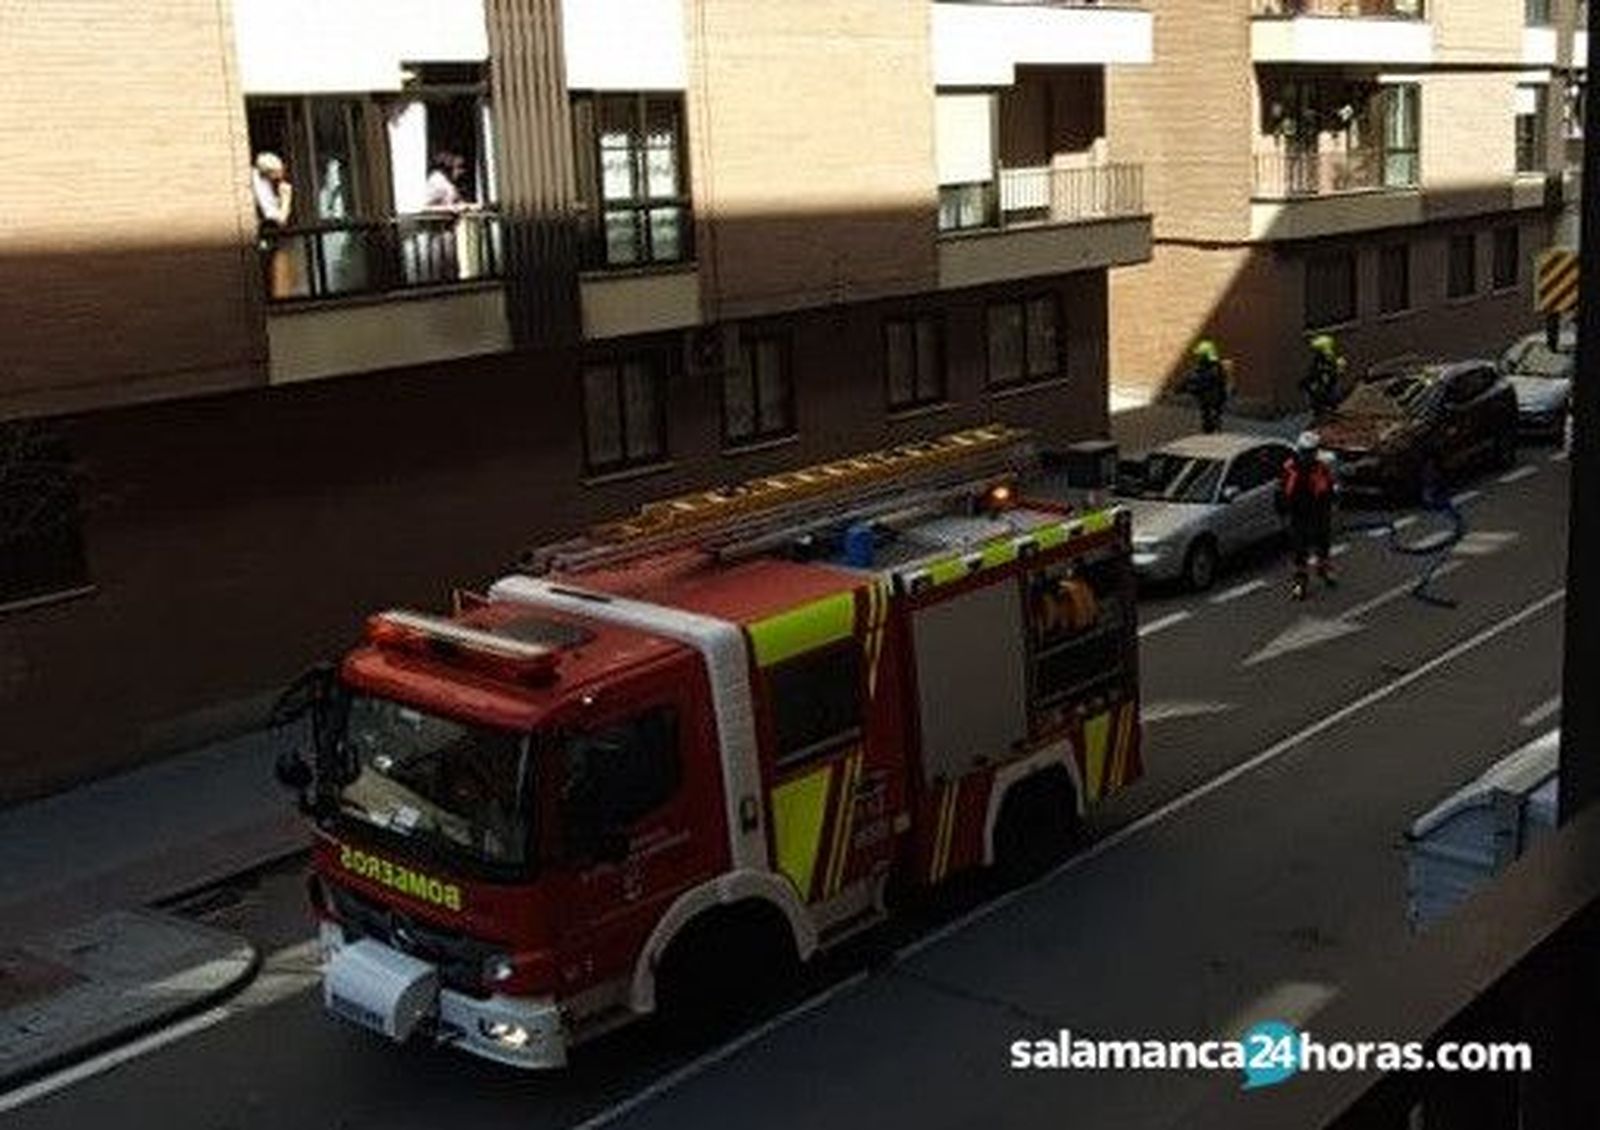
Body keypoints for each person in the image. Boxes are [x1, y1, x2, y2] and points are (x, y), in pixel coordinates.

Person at [1277, 429, 1339, 600]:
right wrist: (1284, 511)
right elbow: (1282, 491)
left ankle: (1323, 569)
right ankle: (1300, 582)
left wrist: (1331, 501)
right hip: (1299, 514)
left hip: (1319, 512)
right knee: (1300, 549)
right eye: (1305, 452)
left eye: (1311, 452)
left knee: (1323, 543)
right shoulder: (1290, 468)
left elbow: (1327, 487)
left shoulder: (1320, 468)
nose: (1308, 456)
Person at [252, 152, 294, 298]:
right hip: (264, 244)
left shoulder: (261, 181)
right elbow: (279, 220)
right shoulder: (259, 184)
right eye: (278, 174)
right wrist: (286, 199)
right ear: (269, 172)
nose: (280, 178)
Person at [1184, 339, 1229, 434]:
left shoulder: (1213, 367)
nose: (1197, 357)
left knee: (1209, 408)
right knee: (1207, 409)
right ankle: (1212, 424)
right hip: (1211, 395)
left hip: (1213, 394)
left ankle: (1213, 423)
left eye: (1200, 355)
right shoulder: (1208, 366)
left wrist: (1192, 385)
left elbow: (1218, 380)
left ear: (1205, 355)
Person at [1300, 334, 1346, 420]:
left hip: (1328, 383)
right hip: (1326, 380)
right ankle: (1324, 406)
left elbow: (1328, 370)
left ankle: (1327, 406)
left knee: (1328, 387)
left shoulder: (1328, 358)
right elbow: (1316, 371)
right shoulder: (1322, 359)